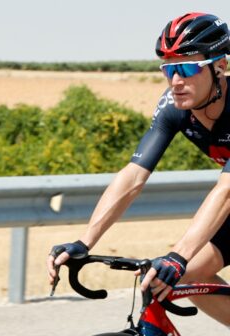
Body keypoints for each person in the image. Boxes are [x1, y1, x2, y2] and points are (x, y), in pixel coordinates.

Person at [49, 13, 230, 310]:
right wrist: (84, 242)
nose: (175, 81)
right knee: (178, 278)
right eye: (168, 70)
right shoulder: (174, 106)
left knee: (179, 264)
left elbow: (226, 191)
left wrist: (178, 255)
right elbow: (134, 175)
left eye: (185, 67)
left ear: (220, 67)